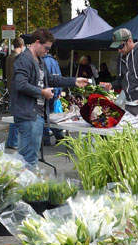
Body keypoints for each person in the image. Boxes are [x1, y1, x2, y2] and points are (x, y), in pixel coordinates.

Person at [11, 28, 88, 168]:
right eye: (46, 48)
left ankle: (24, 186)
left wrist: (74, 81)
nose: (47, 51)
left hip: (36, 115)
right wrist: (42, 92)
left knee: (28, 159)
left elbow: (50, 79)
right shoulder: (24, 59)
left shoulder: (39, 60)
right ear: (37, 42)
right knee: (29, 160)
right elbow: (20, 84)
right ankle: (25, 187)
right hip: (28, 116)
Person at [5, 37, 25, 149]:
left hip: (11, 87)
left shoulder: (9, 57)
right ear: (22, 46)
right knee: (16, 116)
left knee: (14, 115)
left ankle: (12, 140)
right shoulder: (17, 58)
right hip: (17, 89)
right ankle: (13, 141)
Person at [42, 52, 65, 146]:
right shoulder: (54, 61)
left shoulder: (42, 61)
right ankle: (59, 135)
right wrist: (59, 91)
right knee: (50, 116)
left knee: (43, 116)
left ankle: (46, 139)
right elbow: (59, 76)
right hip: (54, 91)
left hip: (46, 91)